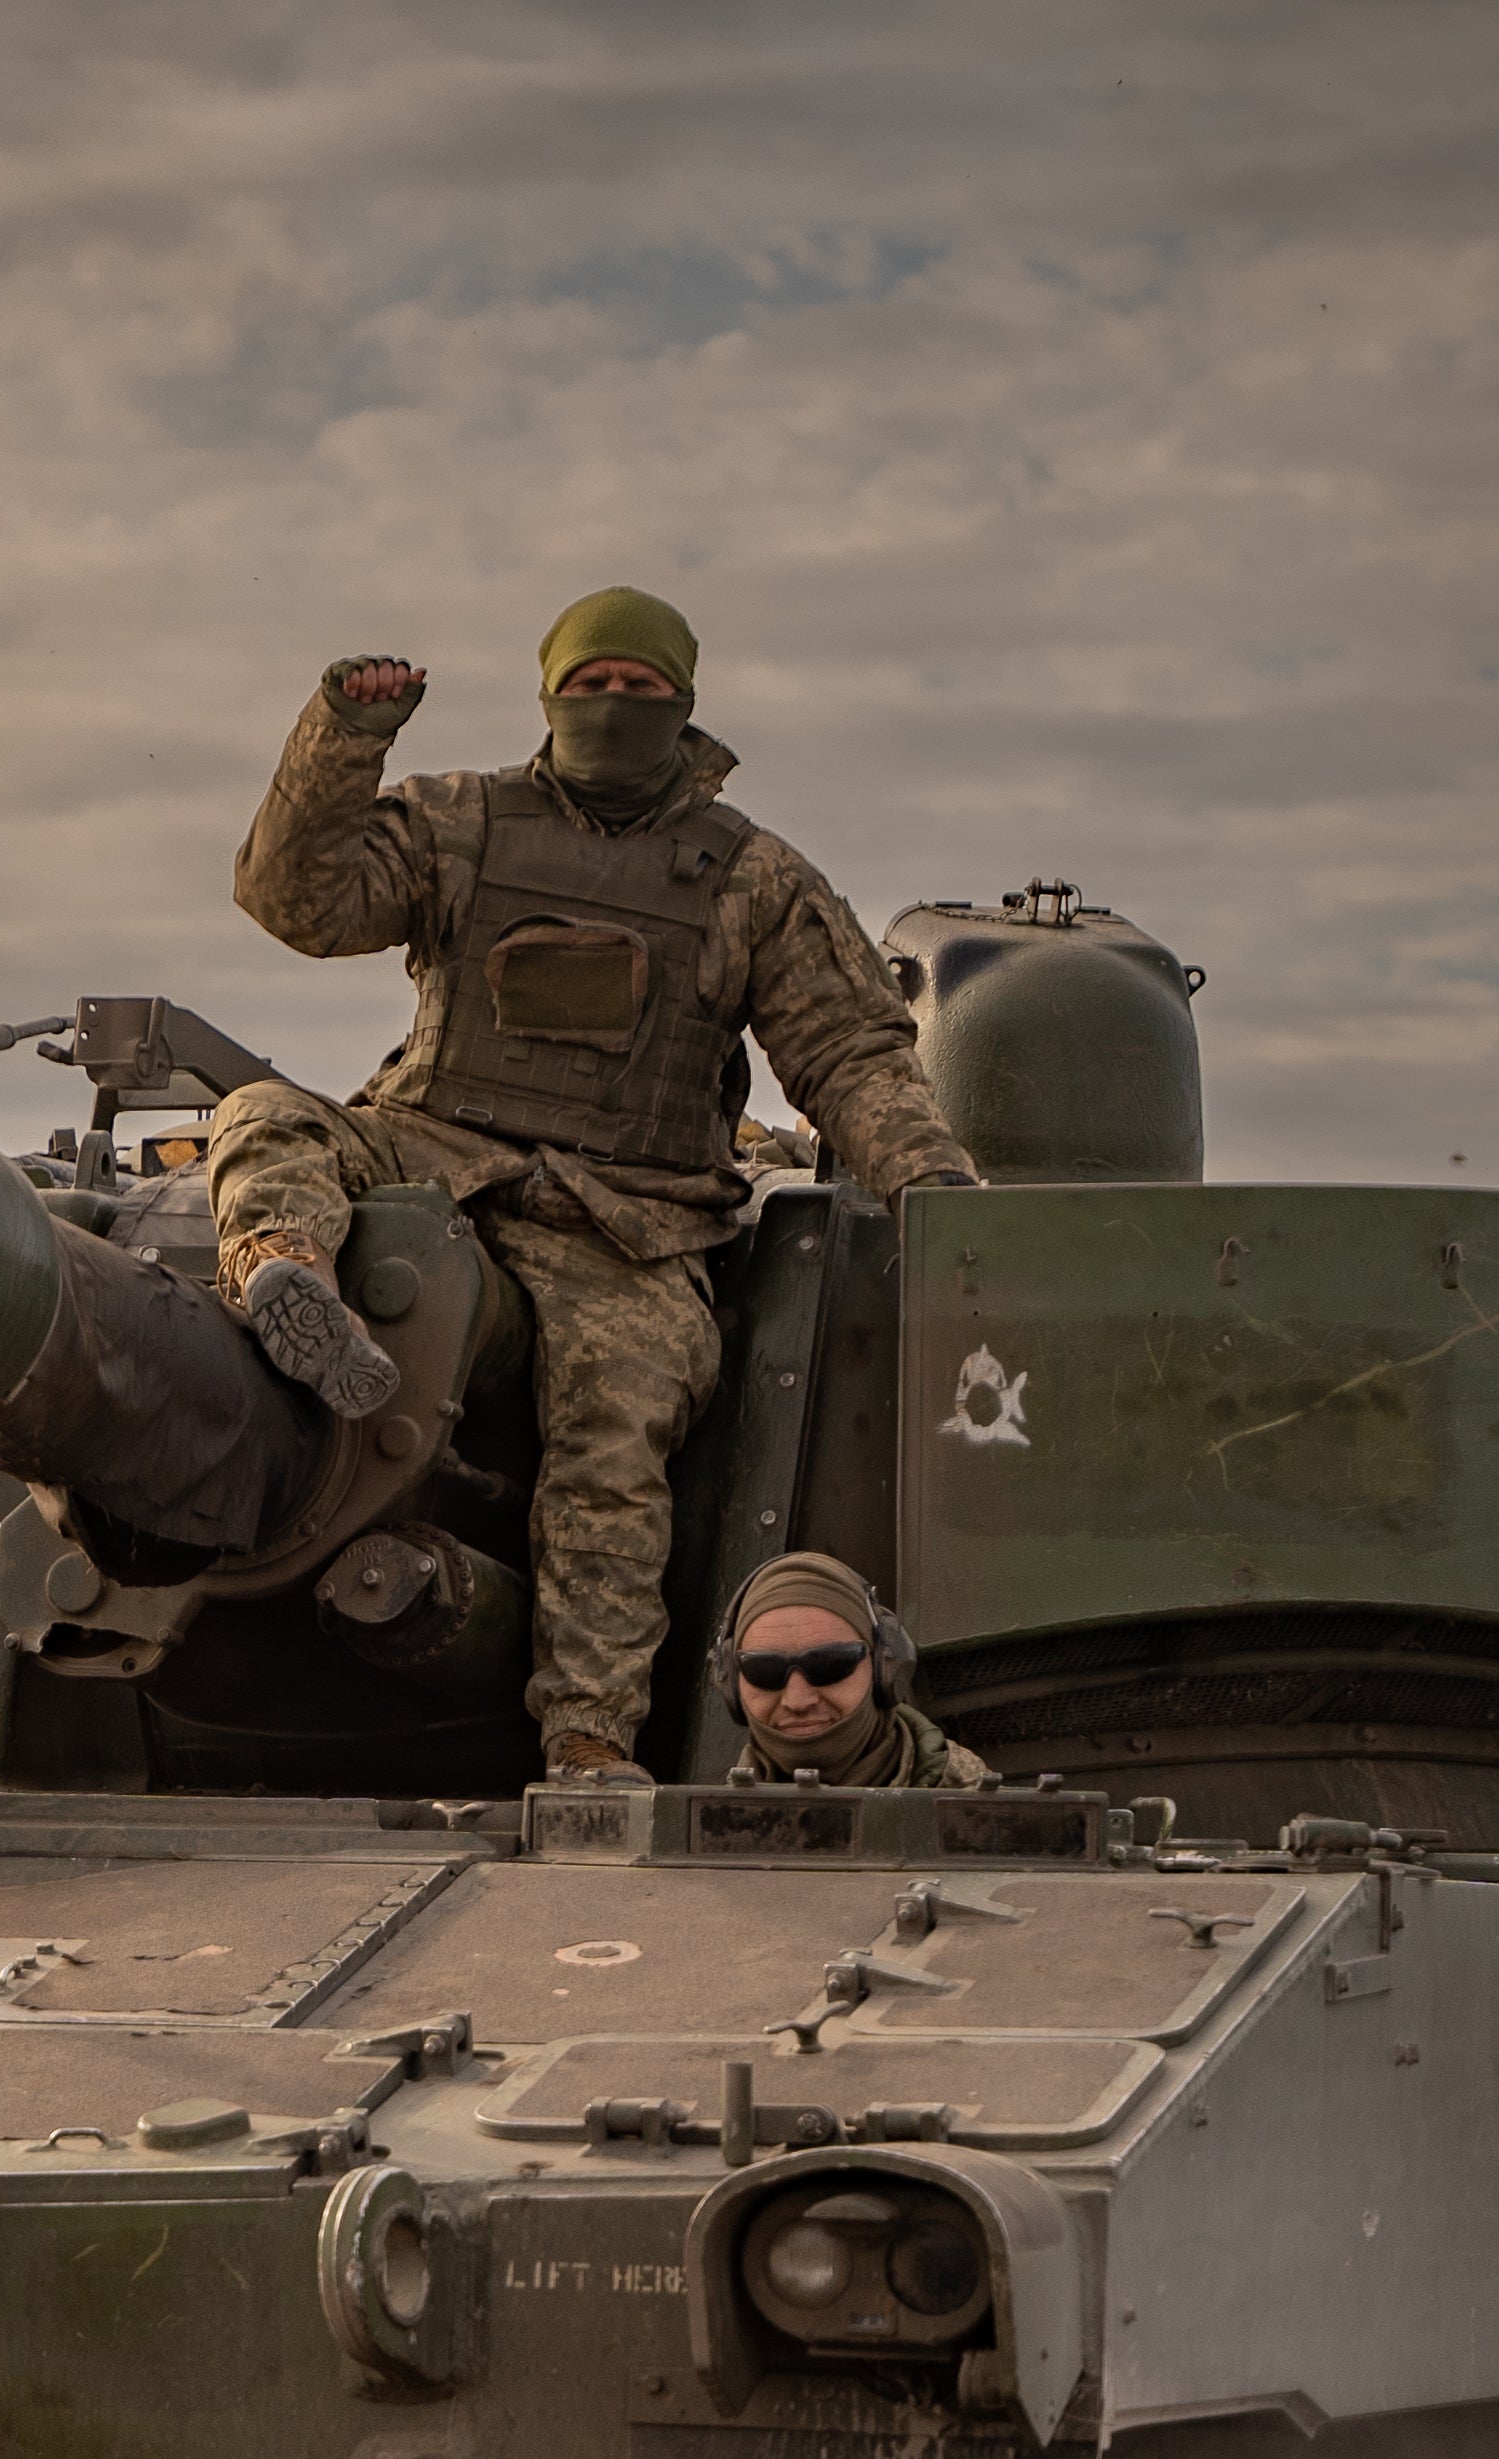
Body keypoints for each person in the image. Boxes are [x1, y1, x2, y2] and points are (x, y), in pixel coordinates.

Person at [206, 590, 978, 1779]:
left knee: (614, 1440)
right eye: (591, 684)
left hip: (630, 1214)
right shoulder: (461, 823)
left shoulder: (750, 878)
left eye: (638, 687)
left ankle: (587, 1742)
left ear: (682, 702)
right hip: (438, 1150)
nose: (612, 707)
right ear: (549, 695)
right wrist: (342, 743)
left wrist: (933, 1189)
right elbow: (296, 902)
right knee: (263, 1119)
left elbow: (847, 1050)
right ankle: (287, 1277)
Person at [714, 1550, 989, 1787]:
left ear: (886, 1668)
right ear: (732, 1684)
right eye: (764, 1670)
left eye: (829, 1665)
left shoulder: (979, 1813)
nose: (798, 1700)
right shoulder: (709, 1824)